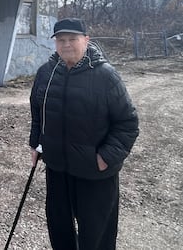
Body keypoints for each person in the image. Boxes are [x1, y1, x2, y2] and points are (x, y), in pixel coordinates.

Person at [29, 18, 139, 250]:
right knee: (59, 228)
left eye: (72, 39)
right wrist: (36, 144)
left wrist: (104, 158)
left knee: (97, 235)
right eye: (61, 40)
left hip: (95, 173)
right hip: (57, 168)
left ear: (86, 40)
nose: (66, 44)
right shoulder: (46, 73)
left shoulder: (106, 76)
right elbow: (38, 112)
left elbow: (128, 123)